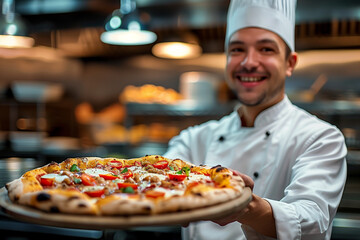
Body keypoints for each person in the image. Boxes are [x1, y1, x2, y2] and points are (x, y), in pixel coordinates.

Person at [164, 0, 347, 239]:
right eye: (237, 49)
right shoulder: (193, 139)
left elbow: (311, 216)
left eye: (266, 49)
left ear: (289, 63)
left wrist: (245, 206)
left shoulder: (321, 138)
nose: (249, 62)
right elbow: (156, 185)